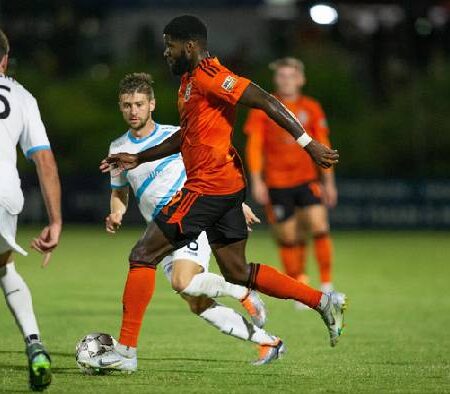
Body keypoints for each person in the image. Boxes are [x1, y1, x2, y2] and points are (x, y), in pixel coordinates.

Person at [100, 15, 346, 368]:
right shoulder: (187, 83)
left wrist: (308, 144)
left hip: (209, 186)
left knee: (142, 255)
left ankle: (125, 353)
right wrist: (137, 157)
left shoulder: (211, 75)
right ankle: (323, 302)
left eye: (170, 46)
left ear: (190, 46)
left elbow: (265, 99)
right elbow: (186, 138)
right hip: (225, 186)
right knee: (237, 271)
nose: (166, 53)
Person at [81, 73, 282, 371]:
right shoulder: (117, 148)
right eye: (127, 105)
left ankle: (241, 291)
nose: (133, 111)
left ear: (152, 104)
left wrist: (236, 202)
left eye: (139, 104)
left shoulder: (175, 136)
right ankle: (269, 342)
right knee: (196, 303)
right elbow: (120, 191)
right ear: (120, 107)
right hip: (160, 233)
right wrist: (117, 212)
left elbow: (213, 172)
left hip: (191, 218)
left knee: (181, 281)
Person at [244, 57, 337, 309]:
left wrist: (329, 181)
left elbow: (324, 143)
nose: (286, 80)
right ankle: (300, 287)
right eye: (282, 76)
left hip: (307, 179)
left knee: (318, 225)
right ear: (276, 80)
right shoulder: (263, 107)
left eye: (291, 76)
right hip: (276, 182)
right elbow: (255, 146)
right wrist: (257, 180)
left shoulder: (311, 107)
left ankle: (327, 285)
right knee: (288, 237)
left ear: (301, 79)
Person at [0, 30, 62, 391]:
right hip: (6, 192)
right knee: (4, 265)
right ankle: (35, 344)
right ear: (5, 61)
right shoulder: (22, 96)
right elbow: (45, 161)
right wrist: (55, 220)